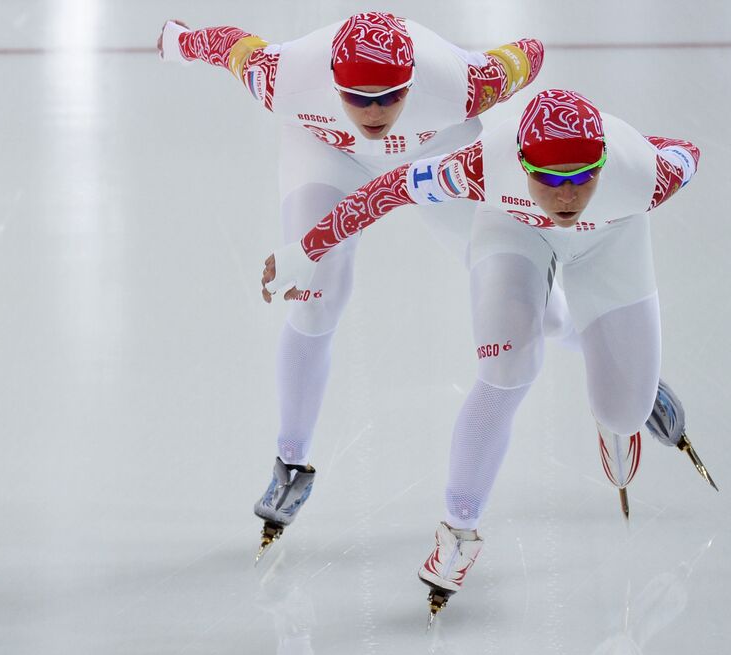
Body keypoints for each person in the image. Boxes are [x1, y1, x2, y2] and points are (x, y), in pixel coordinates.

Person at [262, 89, 711, 616]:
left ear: (606, 163)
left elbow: (687, 150)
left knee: (623, 411)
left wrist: (639, 145)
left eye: (581, 176)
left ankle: (630, 393)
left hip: (610, 242)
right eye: (547, 178)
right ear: (521, 164)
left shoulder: (649, 174)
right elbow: (384, 192)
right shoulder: (477, 166)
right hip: (512, 229)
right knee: (506, 367)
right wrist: (304, 250)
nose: (565, 196)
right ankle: (459, 531)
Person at [158, 12, 547, 557]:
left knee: (523, 294)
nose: (373, 111)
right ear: (332, 82)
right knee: (317, 298)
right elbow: (226, 45)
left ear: (412, 81)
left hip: (434, 152)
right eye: (356, 97)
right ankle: (289, 461)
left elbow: (528, 53)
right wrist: (177, 40)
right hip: (327, 154)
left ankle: (595, 345)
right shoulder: (284, 77)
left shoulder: (462, 83)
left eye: (388, 96)